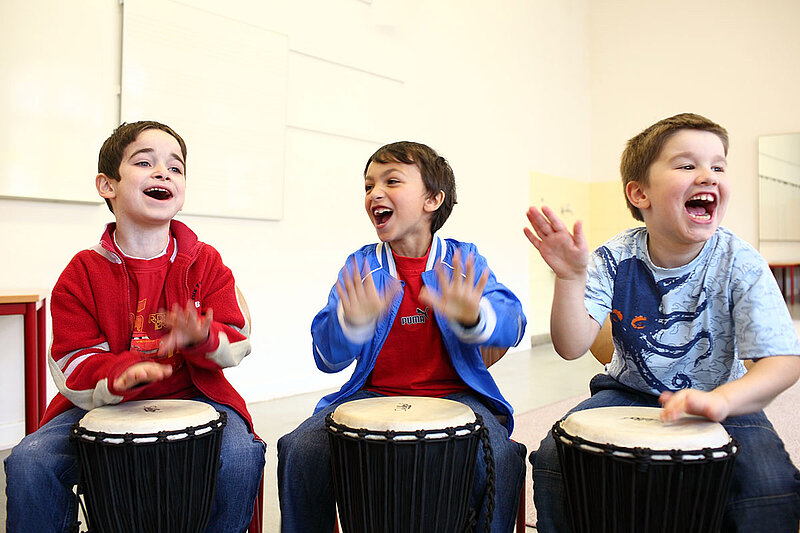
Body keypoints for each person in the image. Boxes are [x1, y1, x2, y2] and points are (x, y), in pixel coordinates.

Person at [525, 112, 800, 532]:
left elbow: (784, 361)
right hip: (628, 391)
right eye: (688, 165)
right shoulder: (613, 258)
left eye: (719, 166)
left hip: (722, 397)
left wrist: (724, 402)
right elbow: (571, 345)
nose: (708, 175)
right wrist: (569, 278)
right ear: (640, 193)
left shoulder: (738, 261)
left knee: (768, 483)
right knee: (555, 457)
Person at [4, 121, 266, 533]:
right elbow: (72, 359)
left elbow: (237, 335)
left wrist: (203, 337)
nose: (163, 173)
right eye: (145, 162)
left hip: (198, 395)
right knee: (30, 461)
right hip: (100, 405)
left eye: (175, 168)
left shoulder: (205, 262)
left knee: (240, 456)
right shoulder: (82, 272)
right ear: (107, 185)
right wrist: (118, 373)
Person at [277, 141, 527, 532]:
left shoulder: (463, 260)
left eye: (391, 181)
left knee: (501, 456)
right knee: (300, 449)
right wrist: (350, 324)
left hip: (457, 396)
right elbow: (325, 357)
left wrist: (476, 315)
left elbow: (514, 322)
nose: (374, 193)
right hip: (373, 395)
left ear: (432, 199)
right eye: (368, 185)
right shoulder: (361, 265)